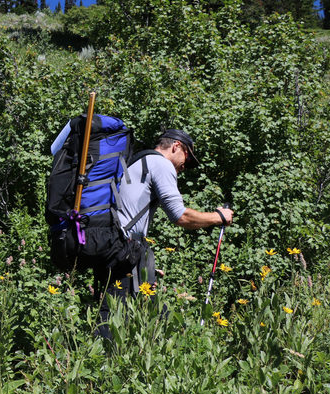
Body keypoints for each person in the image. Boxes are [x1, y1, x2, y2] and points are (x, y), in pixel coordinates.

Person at [95, 129, 234, 337]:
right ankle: (101, 363)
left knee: (142, 314)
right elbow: (180, 216)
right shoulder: (160, 163)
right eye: (186, 160)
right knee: (114, 320)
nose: (184, 168)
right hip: (122, 249)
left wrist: (144, 265)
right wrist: (218, 217)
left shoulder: (135, 162)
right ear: (176, 146)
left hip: (113, 246)